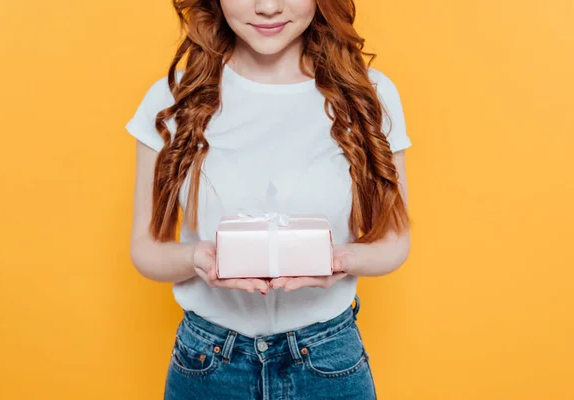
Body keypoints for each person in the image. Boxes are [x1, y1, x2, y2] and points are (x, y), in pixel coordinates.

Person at [125, 0, 412, 398]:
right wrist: (197, 258)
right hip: (208, 365)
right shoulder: (173, 97)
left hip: (328, 361)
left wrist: (340, 261)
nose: (268, 7)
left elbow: (396, 240)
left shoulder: (368, 95)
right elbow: (145, 249)